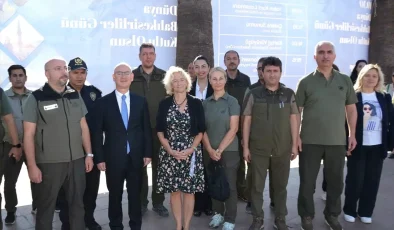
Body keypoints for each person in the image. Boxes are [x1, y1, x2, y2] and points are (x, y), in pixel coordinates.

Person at [23, 57, 94, 230]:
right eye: (57, 68)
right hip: (49, 164)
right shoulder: (36, 98)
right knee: (46, 208)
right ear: (47, 74)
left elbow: (83, 126)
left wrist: (89, 154)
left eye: (64, 68)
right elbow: (28, 134)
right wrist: (32, 166)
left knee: (77, 205)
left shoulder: (74, 94)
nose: (63, 71)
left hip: (77, 161)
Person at [295, 41, 358, 230]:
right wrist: (296, 136)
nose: (325, 55)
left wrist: (352, 134)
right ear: (315, 57)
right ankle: (306, 216)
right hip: (310, 141)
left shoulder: (345, 81)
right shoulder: (305, 82)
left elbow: (351, 110)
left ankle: (332, 215)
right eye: (321, 52)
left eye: (329, 52)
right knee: (307, 183)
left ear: (334, 56)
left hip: (337, 141)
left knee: (336, 183)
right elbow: (297, 112)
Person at [92, 62, 152, 230]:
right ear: (113, 77)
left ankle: (135, 226)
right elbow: (97, 133)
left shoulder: (141, 101)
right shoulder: (103, 102)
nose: (123, 76)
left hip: (136, 157)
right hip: (113, 158)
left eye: (127, 73)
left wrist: (148, 153)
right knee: (115, 195)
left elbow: (146, 128)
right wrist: (99, 157)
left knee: (135, 196)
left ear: (132, 77)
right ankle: (116, 225)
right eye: (119, 73)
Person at [243, 57, 299, 230]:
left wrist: (294, 144)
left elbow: (294, 119)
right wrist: (245, 147)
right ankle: (257, 219)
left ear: (281, 73)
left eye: (275, 71)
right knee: (257, 188)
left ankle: (280, 219)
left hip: (282, 149)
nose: (272, 74)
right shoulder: (253, 94)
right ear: (262, 72)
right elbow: (246, 121)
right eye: (268, 71)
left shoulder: (289, 94)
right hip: (258, 149)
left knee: (280, 187)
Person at [156, 66, 205, 230]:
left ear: (187, 82)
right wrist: (169, 150)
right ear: (170, 84)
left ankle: (187, 225)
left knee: (189, 192)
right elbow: (160, 131)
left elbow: (201, 131)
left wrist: (191, 149)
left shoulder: (196, 103)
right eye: (174, 80)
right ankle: (178, 226)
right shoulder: (164, 104)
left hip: (190, 153)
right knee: (175, 192)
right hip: (170, 153)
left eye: (181, 79)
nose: (178, 83)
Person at [343, 64, 393, 224]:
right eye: (367, 75)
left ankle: (365, 211)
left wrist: (390, 144)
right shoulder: (353, 96)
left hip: (378, 147)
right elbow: (344, 122)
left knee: (372, 181)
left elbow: (391, 121)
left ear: (379, 79)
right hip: (357, 145)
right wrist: (346, 144)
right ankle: (349, 210)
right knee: (355, 180)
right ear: (361, 77)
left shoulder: (384, 97)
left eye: (374, 76)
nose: (370, 78)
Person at [57, 57, 103, 230]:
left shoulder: (94, 94)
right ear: (68, 73)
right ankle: (67, 223)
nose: (79, 76)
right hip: (69, 150)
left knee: (91, 189)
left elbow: (98, 127)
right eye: (75, 72)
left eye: (82, 72)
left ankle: (88, 219)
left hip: (91, 150)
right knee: (67, 192)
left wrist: (98, 153)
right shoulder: (60, 93)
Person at [130, 43, 169, 217]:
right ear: (139, 56)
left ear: (155, 55)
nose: (148, 57)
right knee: (140, 167)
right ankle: (141, 202)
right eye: (144, 54)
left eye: (151, 54)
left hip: (159, 130)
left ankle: (158, 202)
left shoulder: (164, 76)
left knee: (159, 168)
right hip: (138, 131)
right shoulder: (131, 76)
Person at [202, 67, 240, 230]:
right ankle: (218, 214)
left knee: (229, 185)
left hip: (229, 151)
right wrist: (210, 149)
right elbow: (201, 130)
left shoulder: (232, 101)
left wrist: (219, 150)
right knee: (214, 182)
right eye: (214, 78)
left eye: (220, 78)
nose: (217, 82)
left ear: (225, 80)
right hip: (209, 151)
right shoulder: (205, 103)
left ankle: (230, 219)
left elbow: (234, 129)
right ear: (210, 81)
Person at [0, 65, 34, 225]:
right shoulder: (3, 96)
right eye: (14, 75)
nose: (18, 78)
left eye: (21, 75)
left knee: (36, 177)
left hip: (33, 145)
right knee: (10, 181)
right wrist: (16, 144)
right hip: (11, 145)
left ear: (26, 77)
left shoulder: (35, 97)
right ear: (10, 78)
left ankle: (38, 205)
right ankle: (11, 211)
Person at [244, 57, 275, 213]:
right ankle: (252, 201)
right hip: (255, 141)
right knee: (253, 175)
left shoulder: (281, 89)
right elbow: (246, 117)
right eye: (259, 69)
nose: (262, 72)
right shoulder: (251, 90)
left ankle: (275, 201)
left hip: (276, 142)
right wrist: (246, 141)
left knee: (276, 175)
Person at [223, 50, 251, 202]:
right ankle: (225, 190)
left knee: (240, 162)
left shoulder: (245, 80)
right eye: (228, 59)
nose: (231, 61)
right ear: (224, 61)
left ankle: (241, 190)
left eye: (234, 58)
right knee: (225, 161)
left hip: (241, 127)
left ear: (239, 61)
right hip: (223, 128)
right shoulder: (221, 78)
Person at [190, 55, 214, 217]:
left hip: (212, 135)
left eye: (203, 66)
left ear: (209, 68)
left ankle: (210, 204)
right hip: (193, 136)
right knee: (196, 171)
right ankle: (198, 205)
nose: (200, 70)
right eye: (197, 67)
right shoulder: (188, 88)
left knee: (210, 170)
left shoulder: (216, 86)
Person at [320, 63, 340, 201]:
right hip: (316, 135)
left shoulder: (343, 85)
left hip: (336, 136)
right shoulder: (313, 85)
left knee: (332, 169)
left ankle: (330, 195)